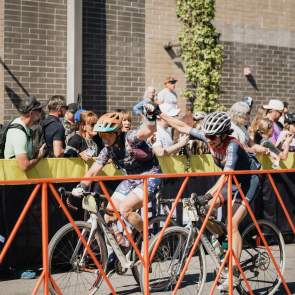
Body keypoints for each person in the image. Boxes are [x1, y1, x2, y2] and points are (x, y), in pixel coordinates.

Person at [158, 108, 261, 290]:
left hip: (248, 181)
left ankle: (234, 273)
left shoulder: (232, 146)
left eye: (213, 138)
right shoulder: (209, 136)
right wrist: (160, 113)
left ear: (223, 135)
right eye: (208, 137)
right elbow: (182, 126)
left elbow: (224, 178)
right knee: (203, 211)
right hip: (233, 181)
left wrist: (207, 195)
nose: (210, 140)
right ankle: (223, 238)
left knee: (232, 223)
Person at [72, 110, 160, 248]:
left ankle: (148, 238)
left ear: (117, 132)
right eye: (102, 135)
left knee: (125, 208)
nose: (104, 139)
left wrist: (150, 116)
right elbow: (93, 170)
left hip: (150, 176)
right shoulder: (108, 150)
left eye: (107, 135)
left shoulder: (130, 138)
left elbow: (148, 130)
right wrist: (81, 186)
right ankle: (122, 243)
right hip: (131, 179)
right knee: (108, 215)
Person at [4, 96, 46, 171]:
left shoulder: (23, 126)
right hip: (15, 180)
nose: (41, 112)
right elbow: (24, 166)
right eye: (39, 110)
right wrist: (39, 157)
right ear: (31, 113)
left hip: (19, 178)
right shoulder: (18, 133)